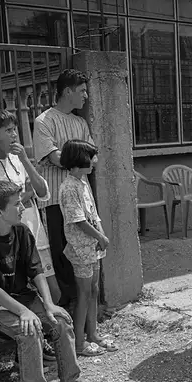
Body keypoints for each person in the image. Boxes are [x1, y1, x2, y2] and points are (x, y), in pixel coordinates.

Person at [0, 180, 108, 382]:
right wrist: (23, 312)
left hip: (24, 298)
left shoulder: (22, 232)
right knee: (29, 331)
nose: (23, 206)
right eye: (17, 203)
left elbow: (36, 271)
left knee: (61, 321)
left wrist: (49, 304)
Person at [0, 108, 59, 363]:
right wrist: (23, 195)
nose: (14, 135)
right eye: (8, 130)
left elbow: (43, 191)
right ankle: (31, 347)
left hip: (33, 228)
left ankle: (39, 341)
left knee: (52, 291)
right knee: (23, 292)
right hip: (10, 238)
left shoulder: (18, 159)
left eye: (15, 129)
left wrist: (25, 162)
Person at [33, 69, 94, 310]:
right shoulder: (44, 121)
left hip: (82, 199)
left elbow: (94, 159)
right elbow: (54, 158)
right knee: (61, 252)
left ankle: (84, 307)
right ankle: (66, 308)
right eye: (81, 91)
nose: (86, 96)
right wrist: (81, 157)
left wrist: (73, 157)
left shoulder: (80, 122)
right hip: (55, 200)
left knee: (83, 250)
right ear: (67, 91)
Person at [58, 140, 117, 357]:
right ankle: (79, 343)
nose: (94, 161)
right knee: (83, 293)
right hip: (80, 248)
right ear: (78, 159)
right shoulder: (68, 187)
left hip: (93, 247)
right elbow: (78, 220)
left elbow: (93, 213)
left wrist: (101, 237)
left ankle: (93, 334)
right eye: (91, 157)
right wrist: (100, 236)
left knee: (94, 290)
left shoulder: (83, 182)